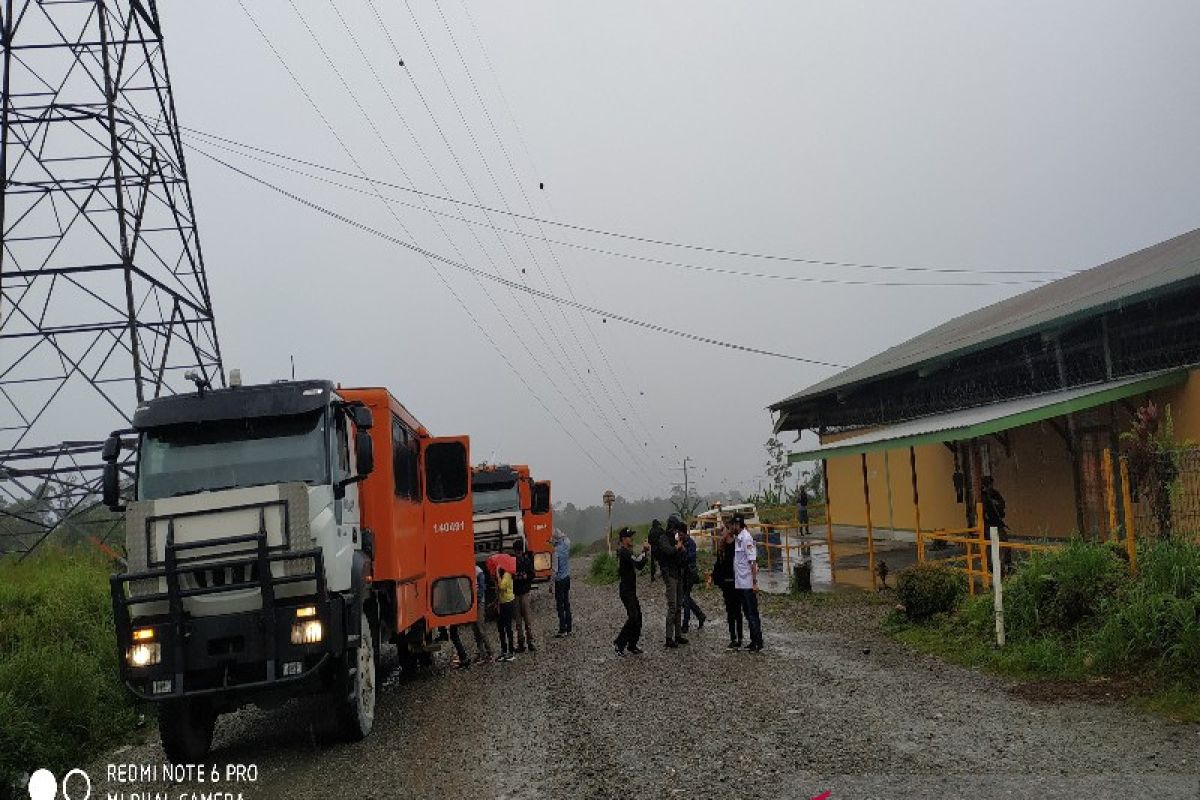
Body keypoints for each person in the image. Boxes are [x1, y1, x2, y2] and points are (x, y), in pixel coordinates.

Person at [613, 526, 650, 655]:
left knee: (638, 617)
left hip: (630, 590)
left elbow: (638, 562)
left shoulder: (627, 550)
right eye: (629, 536)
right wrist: (645, 551)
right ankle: (619, 643)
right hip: (626, 590)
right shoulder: (624, 552)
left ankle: (632, 645)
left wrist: (644, 553)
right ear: (623, 539)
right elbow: (638, 564)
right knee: (633, 617)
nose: (632, 538)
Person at [654, 514, 687, 648]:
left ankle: (678, 635)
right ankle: (669, 637)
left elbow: (678, 555)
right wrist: (677, 547)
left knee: (679, 606)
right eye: (675, 528)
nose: (676, 531)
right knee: (672, 606)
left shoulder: (674, 539)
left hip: (677, 573)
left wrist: (681, 549)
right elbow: (668, 551)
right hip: (669, 574)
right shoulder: (663, 538)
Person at [732, 512, 764, 652]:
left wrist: (755, 582)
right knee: (747, 613)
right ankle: (753, 640)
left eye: (733, 524)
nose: (732, 527)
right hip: (741, 583)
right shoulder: (738, 538)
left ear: (737, 524)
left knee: (752, 613)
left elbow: (752, 561)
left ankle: (758, 642)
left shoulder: (746, 538)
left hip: (748, 583)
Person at [711, 518, 743, 649]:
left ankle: (739, 637)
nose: (720, 532)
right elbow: (718, 565)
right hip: (726, 584)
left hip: (736, 582)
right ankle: (733, 637)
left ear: (729, 530)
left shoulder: (736, 546)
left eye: (723, 529)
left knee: (737, 611)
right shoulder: (722, 548)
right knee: (730, 611)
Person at [679, 520, 706, 633]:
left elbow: (691, 557)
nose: (679, 536)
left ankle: (685, 624)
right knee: (686, 598)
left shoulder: (691, 543)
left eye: (680, 534)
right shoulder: (680, 542)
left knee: (685, 599)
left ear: (685, 533)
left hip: (690, 574)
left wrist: (683, 551)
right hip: (682, 574)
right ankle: (700, 615)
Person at [981, 476, 1011, 573]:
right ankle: (996, 568)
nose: (991, 486)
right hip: (989, 525)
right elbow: (981, 511)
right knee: (993, 546)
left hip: (997, 523)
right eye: (990, 484)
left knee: (1004, 543)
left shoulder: (995, 494)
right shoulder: (982, 496)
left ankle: (1006, 565)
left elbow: (1002, 504)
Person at [511, 540, 536, 652]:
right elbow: (532, 574)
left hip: (519, 593)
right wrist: (524, 576)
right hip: (522, 592)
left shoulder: (518, 561)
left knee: (521, 619)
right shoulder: (526, 560)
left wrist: (524, 576)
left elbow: (532, 574)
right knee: (523, 619)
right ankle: (528, 642)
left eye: (519, 551)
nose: (518, 553)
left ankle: (524, 643)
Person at [550, 529, 573, 637]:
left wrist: (550, 585)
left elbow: (554, 570)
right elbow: (566, 537)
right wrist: (561, 534)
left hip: (559, 581)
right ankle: (569, 628)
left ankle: (562, 629)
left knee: (560, 605)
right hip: (567, 578)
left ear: (555, 539)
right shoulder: (566, 544)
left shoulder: (555, 552)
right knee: (567, 603)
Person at [470, 564, 494, 663]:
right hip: (471, 603)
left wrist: (477, 599)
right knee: (475, 629)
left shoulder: (478, 571)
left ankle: (490, 652)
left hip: (478, 603)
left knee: (480, 628)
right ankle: (481, 653)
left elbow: (482, 587)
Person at [495, 566, 516, 662]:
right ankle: (504, 650)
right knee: (500, 627)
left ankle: (511, 652)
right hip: (502, 603)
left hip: (508, 603)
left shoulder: (507, 574)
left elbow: (502, 586)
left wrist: (497, 574)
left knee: (508, 627)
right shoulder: (503, 575)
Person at [647, 518, 665, 583]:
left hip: (653, 549)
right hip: (659, 549)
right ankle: (664, 574)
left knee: (653, 564)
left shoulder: (650, 531)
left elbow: (649, 541)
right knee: (662, 562)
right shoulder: (660, 530)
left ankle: (652, 576)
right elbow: (664, 536)